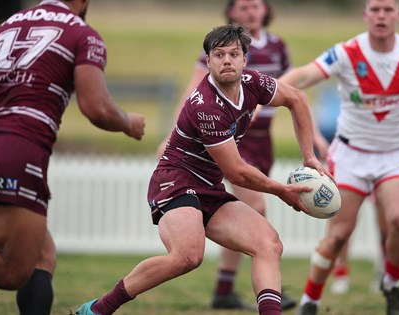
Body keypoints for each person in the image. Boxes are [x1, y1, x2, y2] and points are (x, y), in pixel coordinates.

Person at [76, 24, 329, 315]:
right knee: (187, 256)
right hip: (175, 181)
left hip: (208, 186)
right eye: (218, 54)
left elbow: (296, 98)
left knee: (268, 244)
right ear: (207, 62)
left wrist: (308, 156)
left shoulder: (254, 83)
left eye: (234, 54)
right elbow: (237, 173)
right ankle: (98, 309)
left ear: (245, 60)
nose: (227, 60)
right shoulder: (206, 106)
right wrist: (282, 191)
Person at [0, 1, 145, 314]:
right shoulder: (82, 34)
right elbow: (95, 107)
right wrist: (128, 123)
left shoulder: (6, 27)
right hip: (18, 152)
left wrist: (5, 135)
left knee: (42, 258)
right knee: (12, 271)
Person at [280, 0, 399, 314]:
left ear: (398, 16)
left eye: (388, 10)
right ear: (365, 16)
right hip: (350, 154)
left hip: (396, 153)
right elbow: (305, 75)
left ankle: (391, 284)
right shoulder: (347, 52)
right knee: (338, 236)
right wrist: (262, 93)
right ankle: (310, 299)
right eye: (375, 9)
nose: (381, 16)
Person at [155, 0, 326, 310]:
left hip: (259, 138)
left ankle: (231, 284)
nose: (249, 11)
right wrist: (170, 134)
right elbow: (194, 90)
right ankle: (231, 283)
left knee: (266, 240)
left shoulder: (276, 47)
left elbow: (295, 93)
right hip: (226, 141)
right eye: (243, 6)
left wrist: (312, 148)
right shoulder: (214, 66)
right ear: (232, 12)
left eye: (255, 5)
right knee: (255, 205)